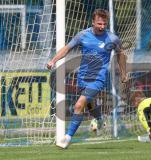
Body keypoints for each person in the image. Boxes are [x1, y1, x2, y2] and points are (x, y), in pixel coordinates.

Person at [47, 9, 127, 148]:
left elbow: (121, 54)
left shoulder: (112, 38)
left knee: (79, 105)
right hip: (83, 77)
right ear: (93, 22)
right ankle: (100, 119)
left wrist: (123, 72)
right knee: (90, 104)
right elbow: (67, 48)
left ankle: (67, 137)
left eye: (104, 24)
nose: (102, 26)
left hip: (98, 79)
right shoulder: (83, 35)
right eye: (99, 23)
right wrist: (53, 60)